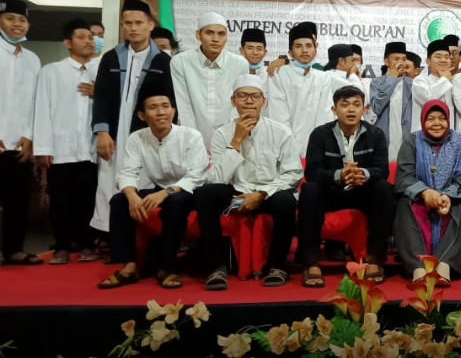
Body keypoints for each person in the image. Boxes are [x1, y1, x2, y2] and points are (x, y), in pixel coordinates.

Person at [195, 75, 303, 290]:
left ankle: (277, 266)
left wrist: (261, 194)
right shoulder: (221, 134)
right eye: (242, 95)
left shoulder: (281, 132)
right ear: (233, 101)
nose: (249, 101)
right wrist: (236, 140)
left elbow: (293, 173)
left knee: (286, 201)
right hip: (236, 197)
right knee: (205, 194)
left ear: (264, 101)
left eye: (255, 96)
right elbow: (216, 179)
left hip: (268, 196)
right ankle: (217, 267)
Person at [97, 83, 208, 289]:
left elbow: (197, 175)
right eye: (153, 107)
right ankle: (129, 265)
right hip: (162, 189)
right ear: (142, 115)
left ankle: (166, 267)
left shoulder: (191, 136)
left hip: (189, 191)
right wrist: (132, 197)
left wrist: (165, 193)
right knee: (119, 201)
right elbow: (127, 172)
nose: (161, 112)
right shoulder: (137, 138)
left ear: (173, 111)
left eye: (165, 106)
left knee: (175, 203)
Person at [91, 0, 173, 240]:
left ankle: (140, 237)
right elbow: (101, 96)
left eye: (138, 22)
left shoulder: (163, 61)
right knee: (109, 181)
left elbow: (169, 101)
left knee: (143, 182)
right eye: (128, 23)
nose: (133, 28)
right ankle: (109, 237)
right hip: (114, 134)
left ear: (150, 25)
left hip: (146, 135)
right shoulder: (111, 58)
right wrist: (102, 132)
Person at [297, 86, 394, 287]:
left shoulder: (375, 134)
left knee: (384, 188)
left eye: (356, 105)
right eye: (345, 105)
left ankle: (375, 258)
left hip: (362, 192)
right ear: (334, 110)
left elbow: (382, 170)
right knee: (309, 190)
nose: (351, 109)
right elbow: (312, 172)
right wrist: (339, 175)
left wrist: (363, 174)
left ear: (364, 109)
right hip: (331, 193)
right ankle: (311, 262)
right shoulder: (320, 134)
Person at [33, 19, 100, 264]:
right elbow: (42, 108)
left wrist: (99, 92)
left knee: (88, 199)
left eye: (90, 37)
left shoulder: (99, 72)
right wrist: (43, 147)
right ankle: (61, 246)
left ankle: (87, 244)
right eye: (81, 37)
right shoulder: (52, 71)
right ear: (68, 43)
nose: (88, 41)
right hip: (60, 148)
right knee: (61, 200)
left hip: (90, 148)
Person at [394, 100, 461, 283]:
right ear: (423, 121)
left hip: (450, 198)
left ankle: (445, 264)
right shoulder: (411, 141)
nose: (437, 123)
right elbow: (404, 177)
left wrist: (447, 196)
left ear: (448, 120)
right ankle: (418, 267)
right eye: (431, 119)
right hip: (419, 198)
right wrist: (424, 193)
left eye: (441, 118)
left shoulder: (460, 142)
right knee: (404, 202)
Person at [0, 0, 41, 266]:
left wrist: (30, 136)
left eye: (22, 20)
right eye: (10, 18)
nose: (17, 24)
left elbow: (35, 101)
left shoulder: (32, 59)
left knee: (17, 200)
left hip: (20, 143)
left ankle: (14, 249)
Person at [170, 12, 247, 151]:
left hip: (229, 139)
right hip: (192, 140)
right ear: (198, 35)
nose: (215, 39)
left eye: (221, 34)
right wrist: (193, 145)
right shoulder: (180, 62)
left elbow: (238, 107)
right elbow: (184, 107)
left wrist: (229, 141)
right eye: (209, 33)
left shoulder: (239, 64)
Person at [268, 23, 333, 158]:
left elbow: (324, 114)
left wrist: (318, 147)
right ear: (290, 52)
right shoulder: (280, 74)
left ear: (315, 50)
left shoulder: (323, 77)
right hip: (284, 148)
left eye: (309, 46)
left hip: (315, 149)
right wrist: (288, 149)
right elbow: (279, 116)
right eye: (298, 46)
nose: (304, 50)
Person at [370, 42, 413, 161]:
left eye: (404, 59)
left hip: (406, 139)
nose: (401, 63)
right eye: (396, 59)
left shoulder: (412, 84)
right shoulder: (377, 83)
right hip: (384, 138)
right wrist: (391, 79)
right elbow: (377, 107)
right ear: (386, 61)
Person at [412, 39, 455, 132]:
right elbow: (429, 99)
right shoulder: (419, 81)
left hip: (448, 135)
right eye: (438, 57)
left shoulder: (452, 83)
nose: (443, 60)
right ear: (428, 61)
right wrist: (445, 79)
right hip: (424, 135)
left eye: (447, 57)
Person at [323, 44, 365, 119]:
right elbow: (358, 93)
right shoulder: (330, 76)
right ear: (341, 61)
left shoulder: (345, 77)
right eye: (352, 60)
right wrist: (353, 74)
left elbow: (365, 101)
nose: (354, 65)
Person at [350, 44, 377, 123]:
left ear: (361, 62)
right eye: (351, 60)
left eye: (356, 60)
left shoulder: (367, 80)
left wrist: (359, 80)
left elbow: (366, 102)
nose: (354, 63)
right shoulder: (340, 78)